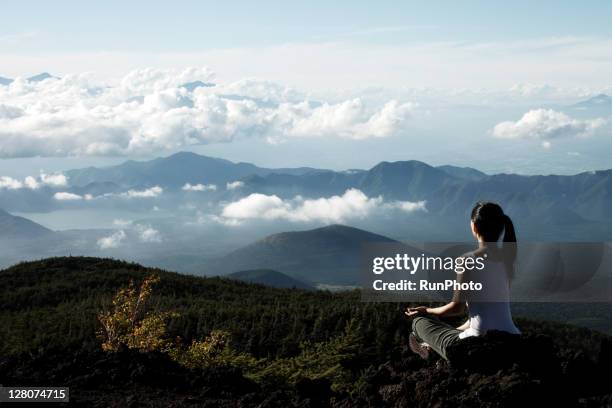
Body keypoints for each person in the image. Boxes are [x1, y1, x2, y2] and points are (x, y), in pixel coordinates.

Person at [406, 201, 521, 361]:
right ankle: (431, 347)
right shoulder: (507, 261)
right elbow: (478, 319)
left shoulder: (467, 260)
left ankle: (431, 349)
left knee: (419, 322)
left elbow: (456, 308)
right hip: (513, 337)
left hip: (476, 345)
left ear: (474, 227)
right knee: (453, 330)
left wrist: (427, 311)